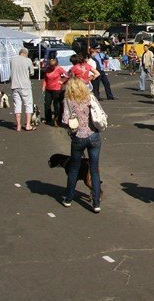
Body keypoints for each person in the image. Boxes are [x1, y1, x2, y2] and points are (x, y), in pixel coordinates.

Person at [60, 77, 102, 212]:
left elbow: (65, 120)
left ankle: (68, 198)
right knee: (94, 170)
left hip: (78, 136)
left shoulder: (69, 100)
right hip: (93, 135)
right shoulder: (90, 97)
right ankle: (96, 202)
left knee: (74, 169)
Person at [10, 48, 35, 132]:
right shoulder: (28, 60)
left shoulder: (12, 59)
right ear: (26, 53)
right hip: (25, 85)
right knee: (28, 104)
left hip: (14, 85)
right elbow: (32, 72)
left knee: (17, 105)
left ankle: (18, 125)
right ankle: (28, 125)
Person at [42, 57, 66, 126]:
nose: (52, 68)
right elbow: (45, 78)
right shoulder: (47, 69)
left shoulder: (59, 69)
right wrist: (44, 86)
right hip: (48, 89)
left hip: (57, 89)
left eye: (53, 66)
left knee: (57, 105)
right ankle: (48, 120)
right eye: (50, 66)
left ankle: (58, 120)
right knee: (47, 104)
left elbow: (67, 75)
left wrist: (62, 81)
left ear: (56, 65)